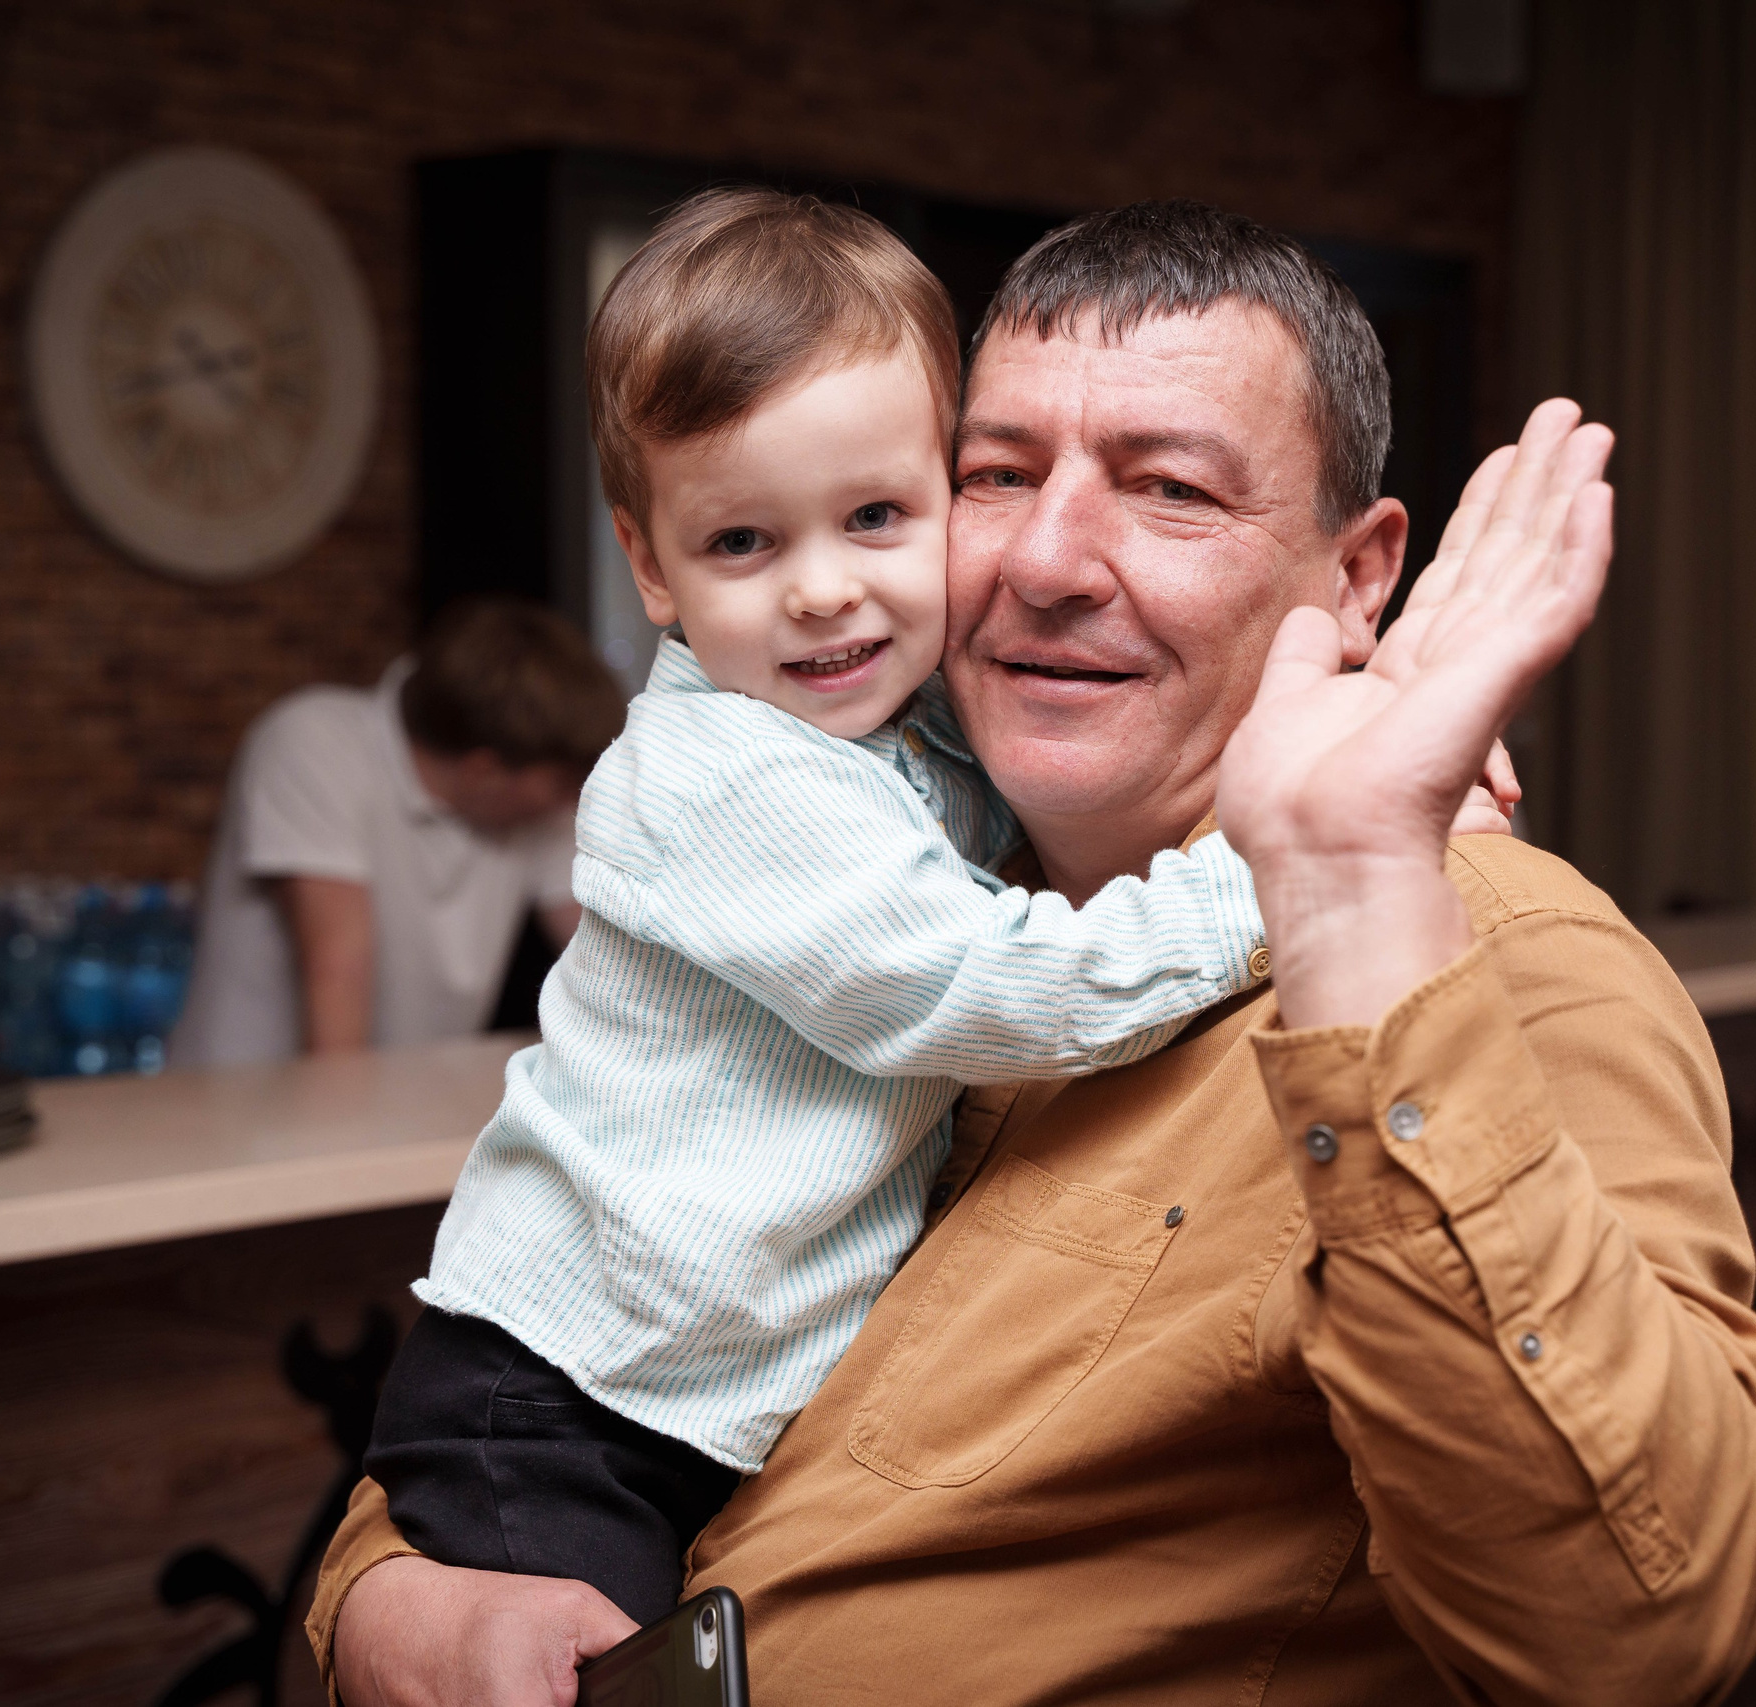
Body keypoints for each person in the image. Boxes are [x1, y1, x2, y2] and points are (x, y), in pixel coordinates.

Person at [315, 201, 1756, 1705]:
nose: (1044, 558)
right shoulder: (898, 864)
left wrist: (1347, 886)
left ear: (1356, 579)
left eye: (1168, 489)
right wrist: (386, 1603)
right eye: (995, 476)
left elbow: (1637, 1628)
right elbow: (581, 1357)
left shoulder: (1502, 956)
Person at [367, 187, 1350, 1628]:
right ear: (651, 565)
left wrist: (1365, 711)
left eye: (879, 516)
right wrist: (1286, 856)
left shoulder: (898, 720)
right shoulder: (727, 778)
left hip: (691, 1390)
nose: (828, 592)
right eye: (745, 545)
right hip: (572, 1402)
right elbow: (994, 988)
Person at [167, 599, 626, 1068]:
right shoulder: (313, 744)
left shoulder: (532, 798)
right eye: (566, 783)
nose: (575, 798)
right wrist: (348, 1137)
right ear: (484, 771)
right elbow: (338, 976)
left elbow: (612, 967)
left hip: (400, 1106)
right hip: (237, 1115)